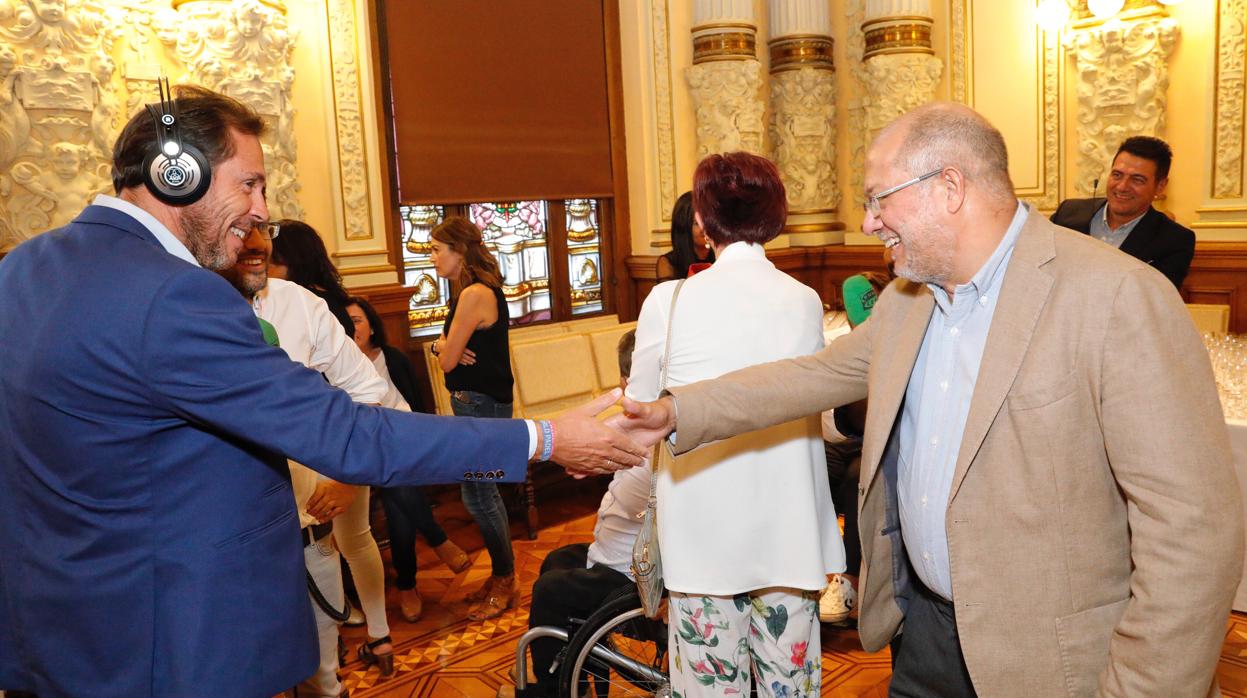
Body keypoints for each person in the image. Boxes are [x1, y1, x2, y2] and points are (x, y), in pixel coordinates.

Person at [0, 84, 643, 698]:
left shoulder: (24, 267)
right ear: (178, 174)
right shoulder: (175, 294)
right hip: (169, 642)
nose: (260, 210)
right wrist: (546, 438)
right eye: (248, 183)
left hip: (60, 626)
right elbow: (349, 435)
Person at [615, 103, 1243, 696]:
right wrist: (677, 411)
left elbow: (1192, 530)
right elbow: (811, 375)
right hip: (923, 640)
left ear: (949, 188)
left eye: (878, 200)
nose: (868, 222)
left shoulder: (1116, 296)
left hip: (1049, 660)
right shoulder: (908, 301)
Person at [629, 152, 844, 696]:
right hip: (788, 531)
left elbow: (639, 406)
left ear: (702, 223)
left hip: (701, 531)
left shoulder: (668, 301)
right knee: (788, 690)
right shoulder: (802, 301)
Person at [220, 221, 388, 694]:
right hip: (227, 549)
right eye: (239, 228)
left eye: (263, 227)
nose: (256, 242)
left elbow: (368, 393)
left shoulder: (299, 305)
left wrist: (347, 479)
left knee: (322, 676)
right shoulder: (178, 308)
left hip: (310, 535)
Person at [503, 330, 649, 698]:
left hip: (636, 574)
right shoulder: (636, 430)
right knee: (557, 559)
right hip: (618, 556)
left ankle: (554, 688)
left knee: (551, 590)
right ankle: (575, 669)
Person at [346, 295, 472, 624]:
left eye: (358, 320)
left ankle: (408, 586)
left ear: (372, 326)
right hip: (365, 449)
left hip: (404, 439)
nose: (353, 327)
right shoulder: (336, 367)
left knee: (396, 491)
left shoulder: (394, 359)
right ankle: (437, 540)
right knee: (396, 482)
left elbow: (415, 405)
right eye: (346, 322)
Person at [428, 215, 522, 620]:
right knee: (481, 495)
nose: (432, 259)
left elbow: (449, 361)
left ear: (459, 251)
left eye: (436, 250)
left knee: (481, 496)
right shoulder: (470, 292)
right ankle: (502, 575)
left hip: (481, 406)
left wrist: (443, 348)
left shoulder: (474, 295)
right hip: (476, 404)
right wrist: (443, 346)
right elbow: (448, 353)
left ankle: (505, 579)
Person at [1050, 135, 1194, 289]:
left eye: (1137, 180)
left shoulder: (1175, 240)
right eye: (1117, 175)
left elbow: (1153, 301)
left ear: (1160, 186)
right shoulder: (1067, 213)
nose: (1122, 187)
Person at [270, 219, 355, 336]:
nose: (265, 270)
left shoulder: (310, 304)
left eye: (271, 261)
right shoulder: (323, 298)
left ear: (293, 259)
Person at [655, 190, 715, 281]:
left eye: (706, 220)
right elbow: (669, 295)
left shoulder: (719, 255)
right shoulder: (668, 263)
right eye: (697, 223)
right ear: (684, 226)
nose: (704, 227)